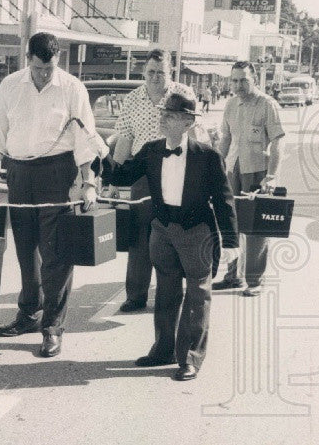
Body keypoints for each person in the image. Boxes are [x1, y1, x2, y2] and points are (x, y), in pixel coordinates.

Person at [0, 32, 105, 359]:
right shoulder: (9, 86)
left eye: (48, 69)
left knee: (56, 253)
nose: (43, 75)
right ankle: (28, 313)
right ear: (27, 59)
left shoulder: (73, 88)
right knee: (25, 250)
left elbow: (84, 138)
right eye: (37, 69)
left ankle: (52, 326)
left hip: (58, 174)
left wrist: (88, 182)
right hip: (19, 174)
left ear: (57, 60)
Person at [102, 88, 240, 381]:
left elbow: (224, 199)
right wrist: (101, 155)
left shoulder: (208, 156)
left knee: (197, 294)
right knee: (165, 291)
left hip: (197, 232)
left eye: (170, 116)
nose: (162, 119)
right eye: (162, 114)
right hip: (162, 230)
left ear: (188, 123)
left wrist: (230, 241)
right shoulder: (152, 149)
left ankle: (190, 357)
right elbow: (122, 175)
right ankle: (163, 349)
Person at [108, 49, 189, 313]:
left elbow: (194, 134)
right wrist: (114, 180)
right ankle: (136, 295)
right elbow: (125, 138)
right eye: (151, 72)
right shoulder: (132, 99)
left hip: (176, 170)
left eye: (161, 72)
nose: (155, 77)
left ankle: (170, 294)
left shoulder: (182, 95)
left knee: (173, 234)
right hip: (142, 174)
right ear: (144, 71)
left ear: (171, 72)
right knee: (139, 237)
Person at [212, 61, 286, 297]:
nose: (238, 85)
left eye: (244, 80)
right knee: (229, 224)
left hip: (257, 171)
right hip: (233, 168)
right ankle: (233, 276)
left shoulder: (267, 104)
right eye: (234, 80)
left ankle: (255, 280)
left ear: (254, 79)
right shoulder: (230, 104)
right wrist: (217, 166)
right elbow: (225, 138)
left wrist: (272, 176)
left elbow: (278, 141)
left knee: (256, 230)